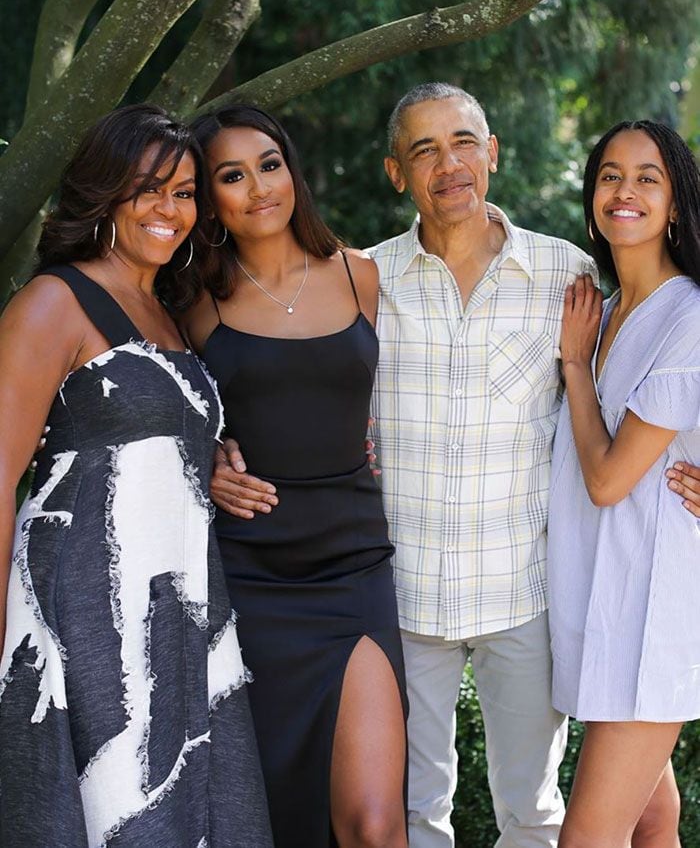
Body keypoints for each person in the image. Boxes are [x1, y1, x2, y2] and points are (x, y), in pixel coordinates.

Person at [211, 84, 700, 848]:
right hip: (402, 597)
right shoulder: (362, 281)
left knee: (533, 815)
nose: (450, 164)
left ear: (493, 153)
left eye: (465, 142)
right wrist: (213, 450)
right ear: (394, 172)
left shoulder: (567, 276)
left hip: (527, 596)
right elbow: (292, 390)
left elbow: (654, 380)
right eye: (424, 150)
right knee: (412, 816)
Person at [0, 104, 273, 848]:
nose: (169, 209)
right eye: (147, 188)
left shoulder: (170, 313)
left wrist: (207, 465)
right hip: (78, 612)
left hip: (175, 611)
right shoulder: (55, 301)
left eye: (184, 192)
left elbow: (145, 440)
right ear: (103, 193)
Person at [181, 104, 408, 848]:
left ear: (292, 170)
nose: (258, 187)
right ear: (210, 197)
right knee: (275, 818)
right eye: (231, 176)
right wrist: (205, 459)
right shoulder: (192, 302)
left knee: (375, 824)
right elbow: (157, 412)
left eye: (269, 164)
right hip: (250, 574)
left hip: (354, 567)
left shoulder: (361, 273)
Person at [548, 120, 700, 848]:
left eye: (648, 177)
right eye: (610, 174)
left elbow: (608, 480)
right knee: (651, 817)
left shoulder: (688, 314)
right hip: (604, 598)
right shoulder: (602, 312)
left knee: (587, 839)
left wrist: (575, 369)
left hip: (654, 612)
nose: (625, 190)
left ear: (675, 204)